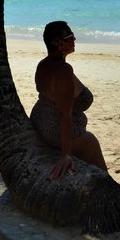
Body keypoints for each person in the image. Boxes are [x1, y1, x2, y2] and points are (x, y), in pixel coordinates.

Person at [30, 20, 108, 180]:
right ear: (59, 44)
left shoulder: (43, 64)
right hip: (54, 128)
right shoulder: (64, 70)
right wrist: (66, 155)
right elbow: (65, 115)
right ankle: (111, 187)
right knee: (91, 142)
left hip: (39, 120)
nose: (75, 39)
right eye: (71, 37)